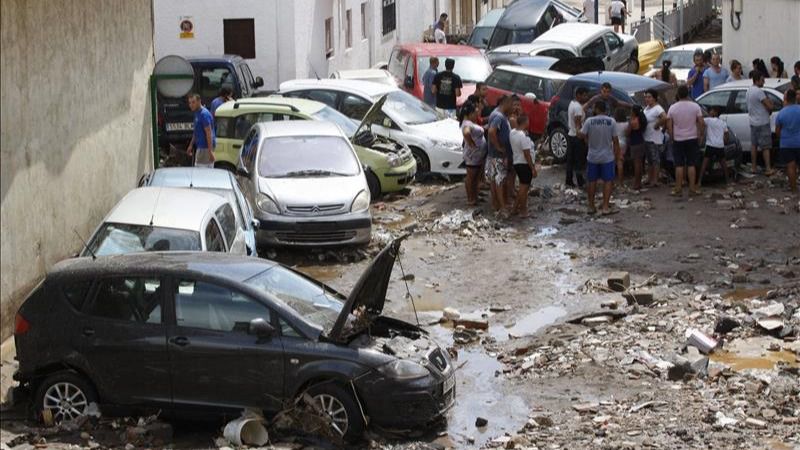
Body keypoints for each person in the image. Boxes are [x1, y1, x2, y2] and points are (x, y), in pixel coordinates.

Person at [579, 102, 620, 215]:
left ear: (596, 109)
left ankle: (591, 206)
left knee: (592, 181)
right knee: (607, 181)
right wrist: (617, 156)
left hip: (592, 156)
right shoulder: (611, 121)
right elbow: (615, 141)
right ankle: (605, 207)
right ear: (605, 110)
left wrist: (578, 127)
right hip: (607, 157)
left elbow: (581, 135)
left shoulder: (589, 121)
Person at [667, 85, 705, 196]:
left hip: (678, 138)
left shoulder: (673, 108)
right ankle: (692, 188)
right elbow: (701, 122)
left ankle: (678, 188)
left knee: (679, 164)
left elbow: (669, 124)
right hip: (692, 138)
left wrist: (672, 136)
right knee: (691, 164)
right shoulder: (695, 107)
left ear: (678, 95)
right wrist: (701, 134)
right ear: (688, 94)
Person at [486, 96, 514, 214]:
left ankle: (495, 204)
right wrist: (498, 147)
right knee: (500, 180)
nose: (512, 107)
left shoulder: (498, 115)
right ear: (506, 103)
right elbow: (491, 131)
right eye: (511, 104)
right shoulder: (498, 116)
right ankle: (502, 206)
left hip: (495, 154)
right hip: (498, 154)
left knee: (494, 179)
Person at [747, 70, 775, 175]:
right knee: (766, 147)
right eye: (762, 80)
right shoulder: (759, 92)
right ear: (757, 80)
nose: (764, 82)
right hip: (762, 122)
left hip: (753, 122)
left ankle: (753, 167)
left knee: (754, 145)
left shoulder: (749, 90)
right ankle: (768, 168)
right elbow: (770, 106)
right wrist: (771, 105)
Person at [460, 102, 487, 206]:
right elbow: (466, 133)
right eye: (475, 113)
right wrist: (472, 144)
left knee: (475, 178)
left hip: (476, 156)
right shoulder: (467, 123)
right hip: (472, 156)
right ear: (469, 114)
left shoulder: (470, 122)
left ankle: (474, 197)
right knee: (471, 178)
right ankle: (471, 199)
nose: (477, 115)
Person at [510, 115, 537, 218]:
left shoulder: (512, 133)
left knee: (522, 187)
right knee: (524, 189)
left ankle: (516, 209)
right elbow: (527, 153)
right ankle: (522, 210)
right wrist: (533, 168)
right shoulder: (523, 136)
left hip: (516, 161)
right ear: (525, 123)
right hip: (524, 164)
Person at [775, 89, 800, 194]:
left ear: (785, 99)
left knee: (790, 166)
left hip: (786, 144)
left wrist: (782, 138)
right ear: (795, 98)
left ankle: (794, 189)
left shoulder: (781, 113)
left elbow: (777, 131)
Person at [698, 106, 730, 186]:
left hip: (710, 145)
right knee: (724, 164)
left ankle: (699, 181)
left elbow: (700, 121)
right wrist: (725, 142)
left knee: (704, 164)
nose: (710, 112)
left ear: (715, 112)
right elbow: (726, 134)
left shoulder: (708, 120)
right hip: (719, 145)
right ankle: (728, 181)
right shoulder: (723, 123)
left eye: (711, 111)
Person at [643, 89, 667, 187]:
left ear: (654, 98)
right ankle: (650, 178)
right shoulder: (647, 108)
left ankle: (655, 180)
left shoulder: (657, 108)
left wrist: (657, 125)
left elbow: (665, 117)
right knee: (649, 160)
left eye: (649, 97)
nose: (647, 99)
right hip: (646, 137)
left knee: (655, 159)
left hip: (654, 138)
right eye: (646, 97)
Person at [566, 87, 589, 188]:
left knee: (570, 160)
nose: (586, 97)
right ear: (578, 95)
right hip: (577, 136)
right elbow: (578, 123)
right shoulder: (578, 108)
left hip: (571, 134)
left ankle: (569, 179)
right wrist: (583, 137)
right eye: (584, 95)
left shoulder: (572, 104)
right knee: (579, 160)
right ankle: (580, 181)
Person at [186, 93, 216, 168]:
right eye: (189, 103)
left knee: (201, 172)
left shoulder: (204, 115)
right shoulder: (197, 113)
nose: (191, 105)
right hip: (200, 147)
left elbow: (209, 134)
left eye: (193, 102)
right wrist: (191, 145)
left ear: (199, 102)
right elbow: (196, 131)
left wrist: (210, 152)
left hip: (205, 148)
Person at [628, 105, 648, 191]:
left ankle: (636, 183)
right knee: (639, 163)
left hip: (634, 142)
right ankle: (639, 182)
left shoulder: (633, 120)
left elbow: (627, 132)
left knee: (636, 164)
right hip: (641, 141)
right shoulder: (642, 120)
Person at [614, 107, 629, 186]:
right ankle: (621, 182)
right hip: (623, 143)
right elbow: (627, 134)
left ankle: (611, 182)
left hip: (613, 143)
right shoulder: (626, 124)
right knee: (620, 163)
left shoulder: (613, 123)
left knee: (612, 163)